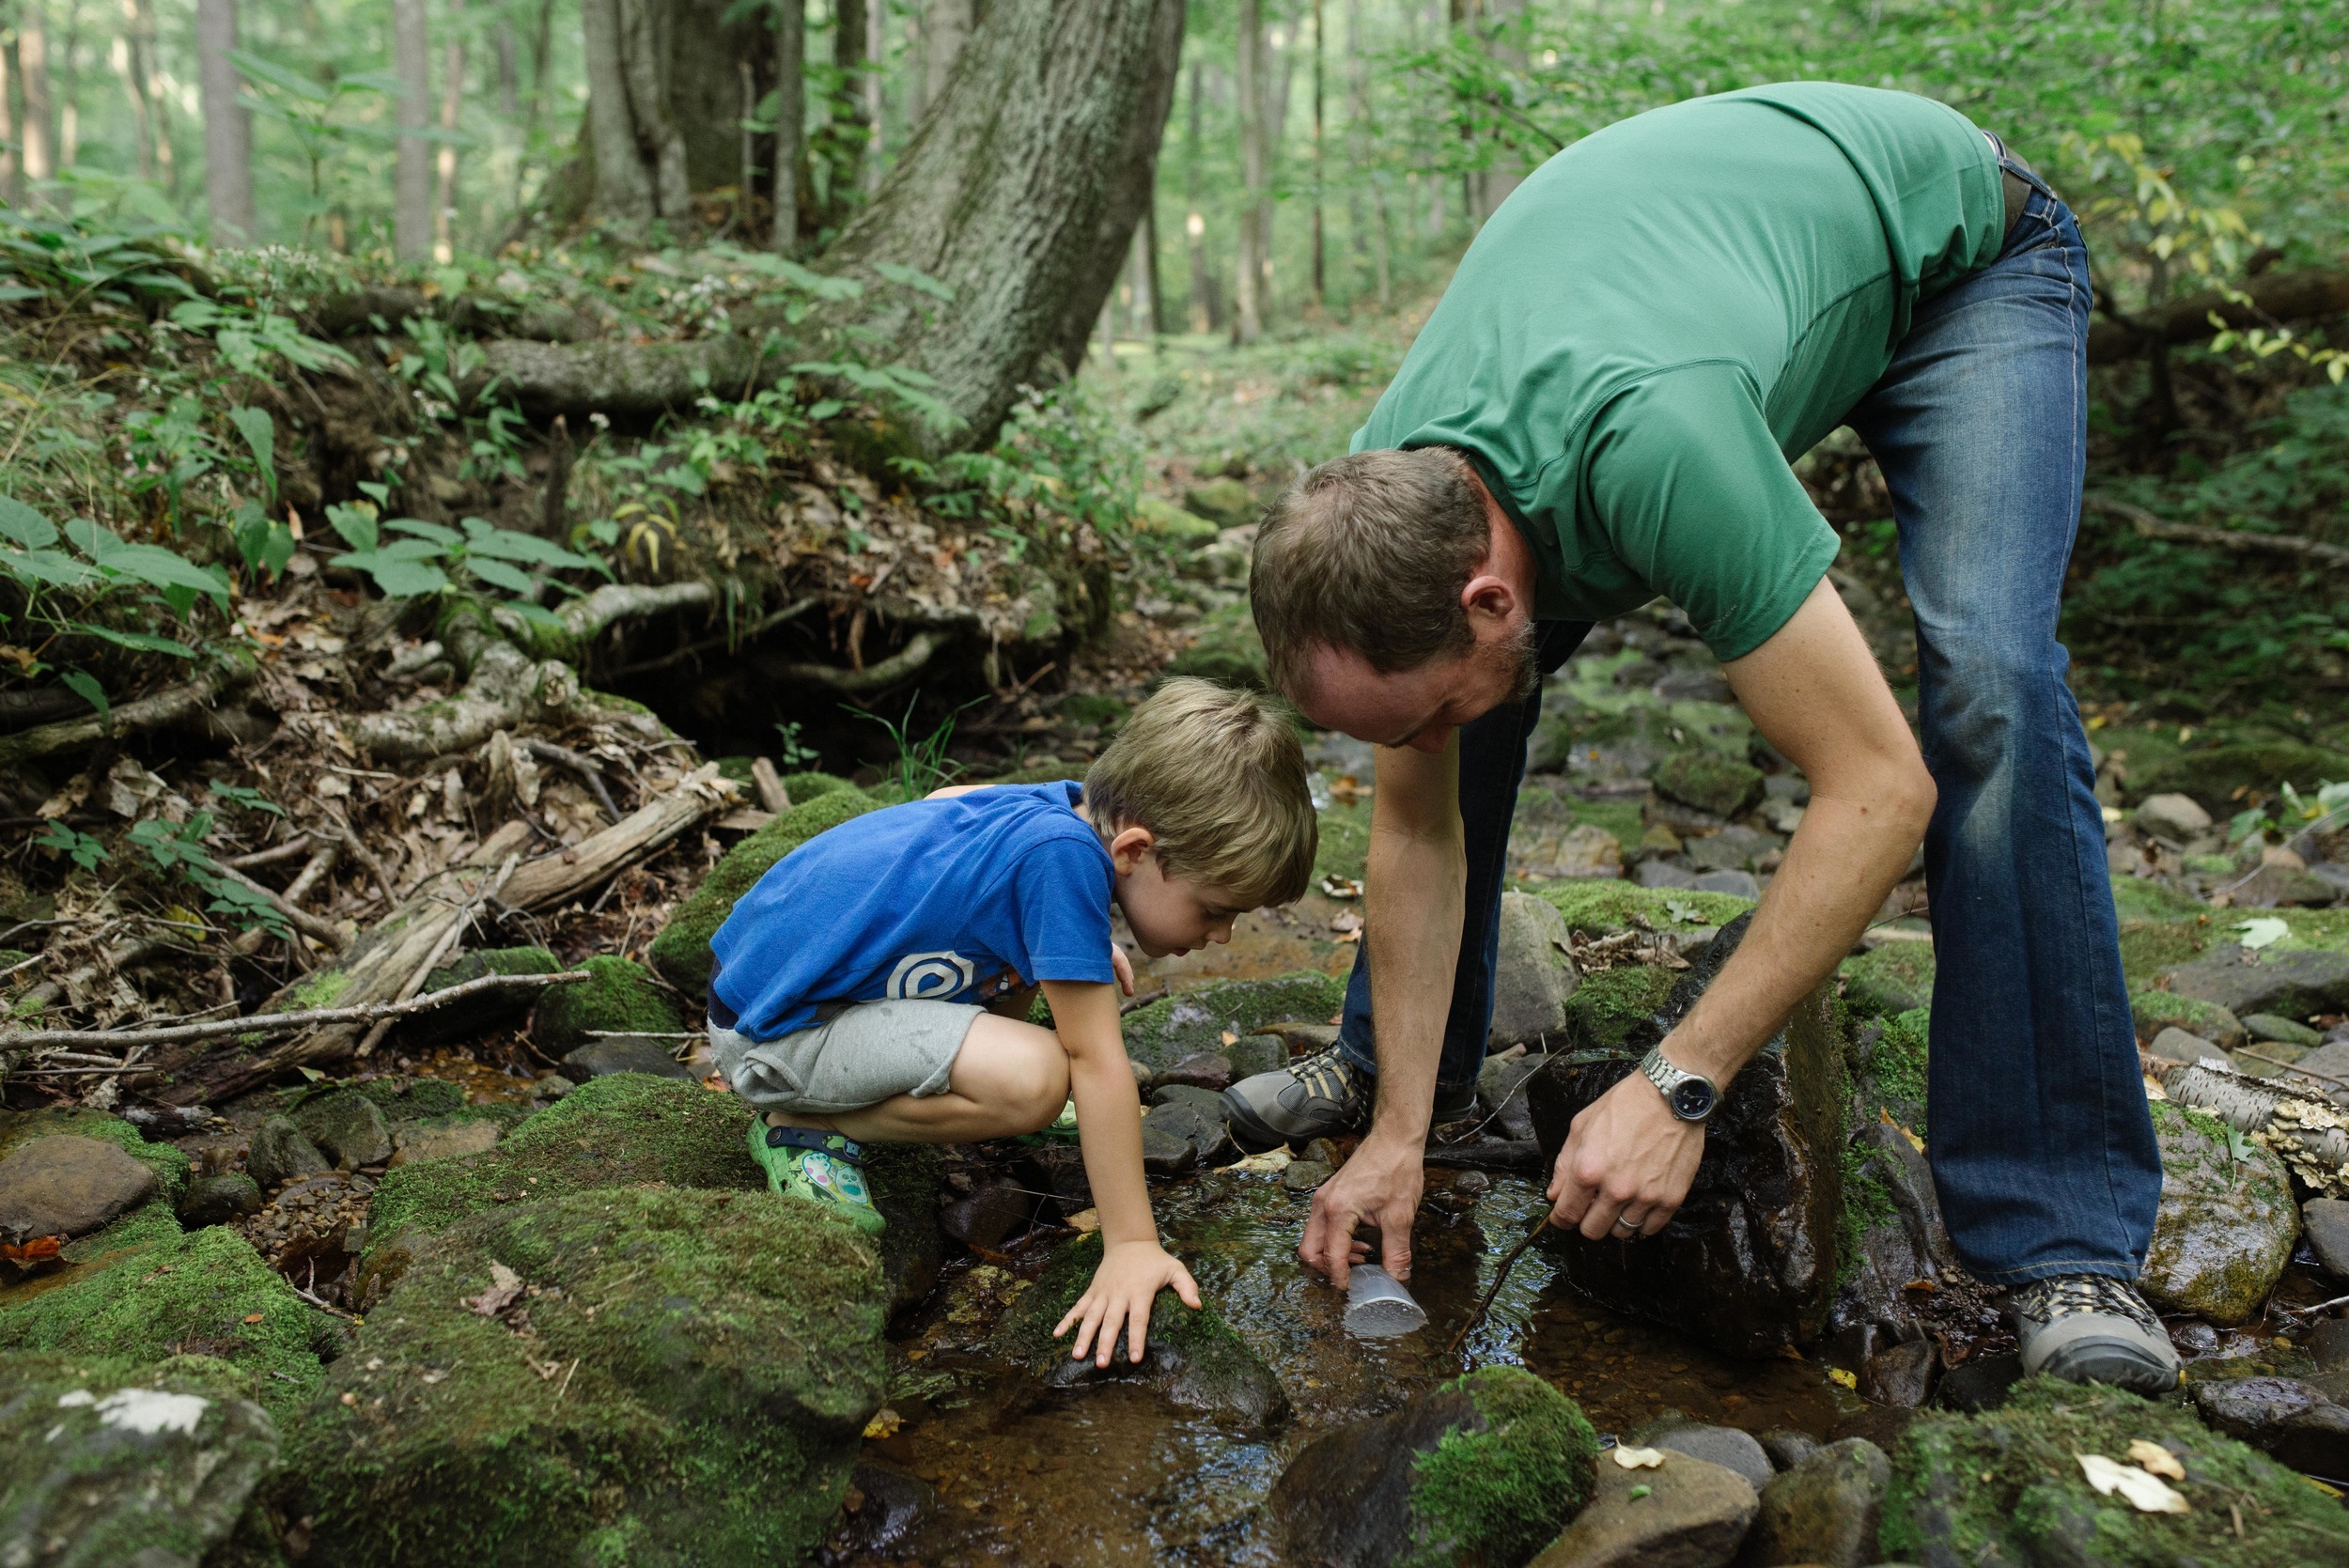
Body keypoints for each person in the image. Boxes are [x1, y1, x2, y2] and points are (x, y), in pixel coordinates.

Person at [1221, 82, 2178, 1392]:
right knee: (1461, 726)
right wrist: (1395, 1137)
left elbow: (1877, 793)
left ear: (1493, 592)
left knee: (1988, 690)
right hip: (1719, 290)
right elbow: (1414, 820)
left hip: (1965, 262)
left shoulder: (1653, 443)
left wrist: (1682, 1080)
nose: (1422, 736)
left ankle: (2065, 1236)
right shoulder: (1385, 504)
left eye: (1431, 693)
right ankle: (1399, 1079)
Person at [707, 677, 1317, 1365]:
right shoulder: (1058, 862)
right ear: (1136, 851)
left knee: (1038, 1012)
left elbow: (943, 804)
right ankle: (803, 1124)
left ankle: (844, 1094)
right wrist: (1133, 1245)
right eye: (1214, 909)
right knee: (1038, 1081)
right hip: (775, 1034)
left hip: (774, 990)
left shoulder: (1062, 812)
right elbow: (1096, 1061)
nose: (1224, 936)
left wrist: (1069, 936)